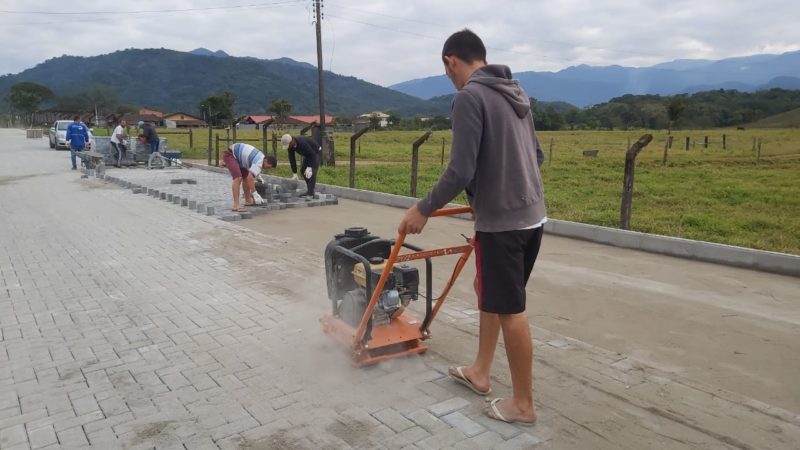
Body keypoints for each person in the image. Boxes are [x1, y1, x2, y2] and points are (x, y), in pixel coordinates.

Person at [398, 29, 546, 426]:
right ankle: (481, 370)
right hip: (533, 216)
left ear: (451, 61)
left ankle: (523, 404)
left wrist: (423, 209)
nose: (451, 78)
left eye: (448, 71)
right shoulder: (515, 91)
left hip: (503, 224)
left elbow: (460, 168)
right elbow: (537, 155)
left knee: (511, 309)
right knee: (490, 293)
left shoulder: (469, 97)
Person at [222, 143, 277, 212]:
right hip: (230, 155)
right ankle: (236, 205)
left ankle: (248, 200)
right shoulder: (259, 162)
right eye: (268, 167)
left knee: (245, 176)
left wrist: (257, 175)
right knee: (238, 178)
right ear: (265, 161)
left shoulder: (262, 157)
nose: (267, 169)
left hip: (239, 158)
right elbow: (250, 178)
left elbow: (250, 172)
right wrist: (255, 193)